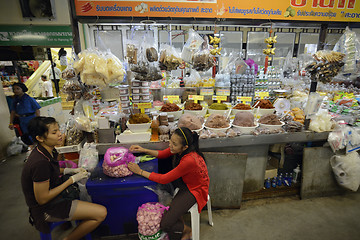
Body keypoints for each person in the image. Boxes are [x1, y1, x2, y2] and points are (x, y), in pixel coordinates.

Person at [21, 116, 107, 240]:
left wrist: (70, 170)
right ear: (40, 138)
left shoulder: (48, 151)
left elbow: (51, 171)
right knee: (101, 213)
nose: (60, 134)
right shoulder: (39, 163)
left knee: (90, 200)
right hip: (46, 209)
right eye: (54, 132)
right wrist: (71, 180)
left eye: (59, 130)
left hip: (56, 197)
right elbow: (42, 199)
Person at [128, 127, 210, 240]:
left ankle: (186, 230)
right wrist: (143, 149)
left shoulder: (189, 160)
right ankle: (181, 225)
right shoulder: (180, 149)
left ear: (185, 147)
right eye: (170, 141)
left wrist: (140, 171)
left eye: (174, 144)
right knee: (171, 213)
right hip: (186, 183)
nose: (170, 145)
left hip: (194, 190)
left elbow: (164, 179)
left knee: (165, 224)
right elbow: (162, 154)